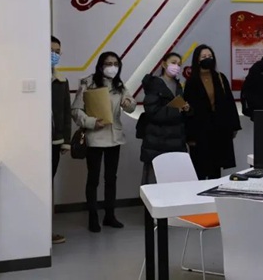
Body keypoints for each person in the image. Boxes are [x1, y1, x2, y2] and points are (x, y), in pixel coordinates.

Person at [71, 51, 136, 233]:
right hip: (94, 137)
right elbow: (76, 110)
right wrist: (91, 122)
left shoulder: (119, 85)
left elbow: (130, 105)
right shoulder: (88, 83)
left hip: (114, 137)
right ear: (100, 65)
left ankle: (110, 215)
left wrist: (128, 104)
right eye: (108, 63)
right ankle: (93, 216)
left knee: (111, 178)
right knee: (93, 179)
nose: (112, 67)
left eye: (115, 64)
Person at [183, 45, 241, 180]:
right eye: (204, 56)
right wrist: (189, 136)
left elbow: (229, 103)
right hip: (200, 131)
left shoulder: (220, 77)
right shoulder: (191, 81)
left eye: (210, 56)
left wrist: (233, 126)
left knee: (216, 168)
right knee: (200, 169)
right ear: (197, 60)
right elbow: (188, 110)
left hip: (218, 129)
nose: (207, 59)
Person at [139, 52, 191, 185]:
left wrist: (185, 108)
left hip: (176, 141)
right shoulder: (155, 85)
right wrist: (176, 110)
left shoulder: (178, 86)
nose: (176, 67)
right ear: (163, 64)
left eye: (179, 64)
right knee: (155, 182)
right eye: (173, 63)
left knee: (174, 182)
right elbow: (152, 112)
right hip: (157, 141)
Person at [51, 36, 71, 244]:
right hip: (34, 144)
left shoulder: (61, 81)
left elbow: (65, 111)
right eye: (51, 50)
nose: (54, 55)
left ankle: (47, 230)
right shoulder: (32, 76)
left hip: (55, 142)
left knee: (48, 185)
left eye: (57, 52)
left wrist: (66, 140)